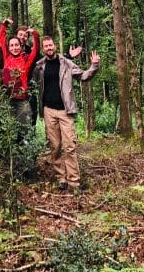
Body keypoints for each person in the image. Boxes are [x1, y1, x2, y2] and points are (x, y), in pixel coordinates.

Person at [33, 37, 100, 192]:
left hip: (65, 110)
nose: (49, 48)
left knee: (69, 146)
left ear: (54, 46)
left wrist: (94, 65)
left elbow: (84, 76)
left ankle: (74, 182)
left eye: (50, 45)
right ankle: (61, 179)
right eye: (46, 46)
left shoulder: (66, 63)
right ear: (43, 49)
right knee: (55, 147)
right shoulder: (40, 66)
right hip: (49, 111)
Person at [0, 19, 40, 126]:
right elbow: (1, 40)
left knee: (25, 127)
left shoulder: (26, 60)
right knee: (9, 128)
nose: (14, 48)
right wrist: (4, 24)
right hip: (7, 98)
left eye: (16, 45)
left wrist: (34, 33)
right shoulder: (7, 57)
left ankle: (27, 142)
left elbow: (36, 49)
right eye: (11, 45)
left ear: (21, 47)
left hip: (22, 99)